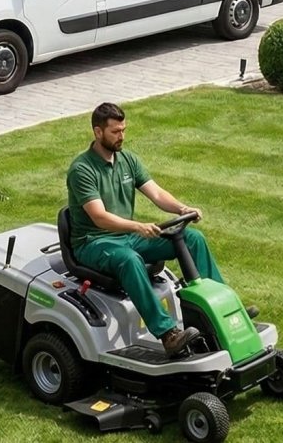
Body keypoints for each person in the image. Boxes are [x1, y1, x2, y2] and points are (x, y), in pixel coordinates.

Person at [66, 102, 246, 358]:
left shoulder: (128, 160)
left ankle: (222, 311)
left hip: (126, 236)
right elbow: (99, 217)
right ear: (97, 132)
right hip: (94, 242)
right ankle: (168, 335)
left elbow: (157, 193)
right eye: (115, 131)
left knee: (192, 238)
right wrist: (138, 226)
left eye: (124, 130)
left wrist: (182, 209)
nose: (122, 136)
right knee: (129, 260)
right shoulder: (82, 169)